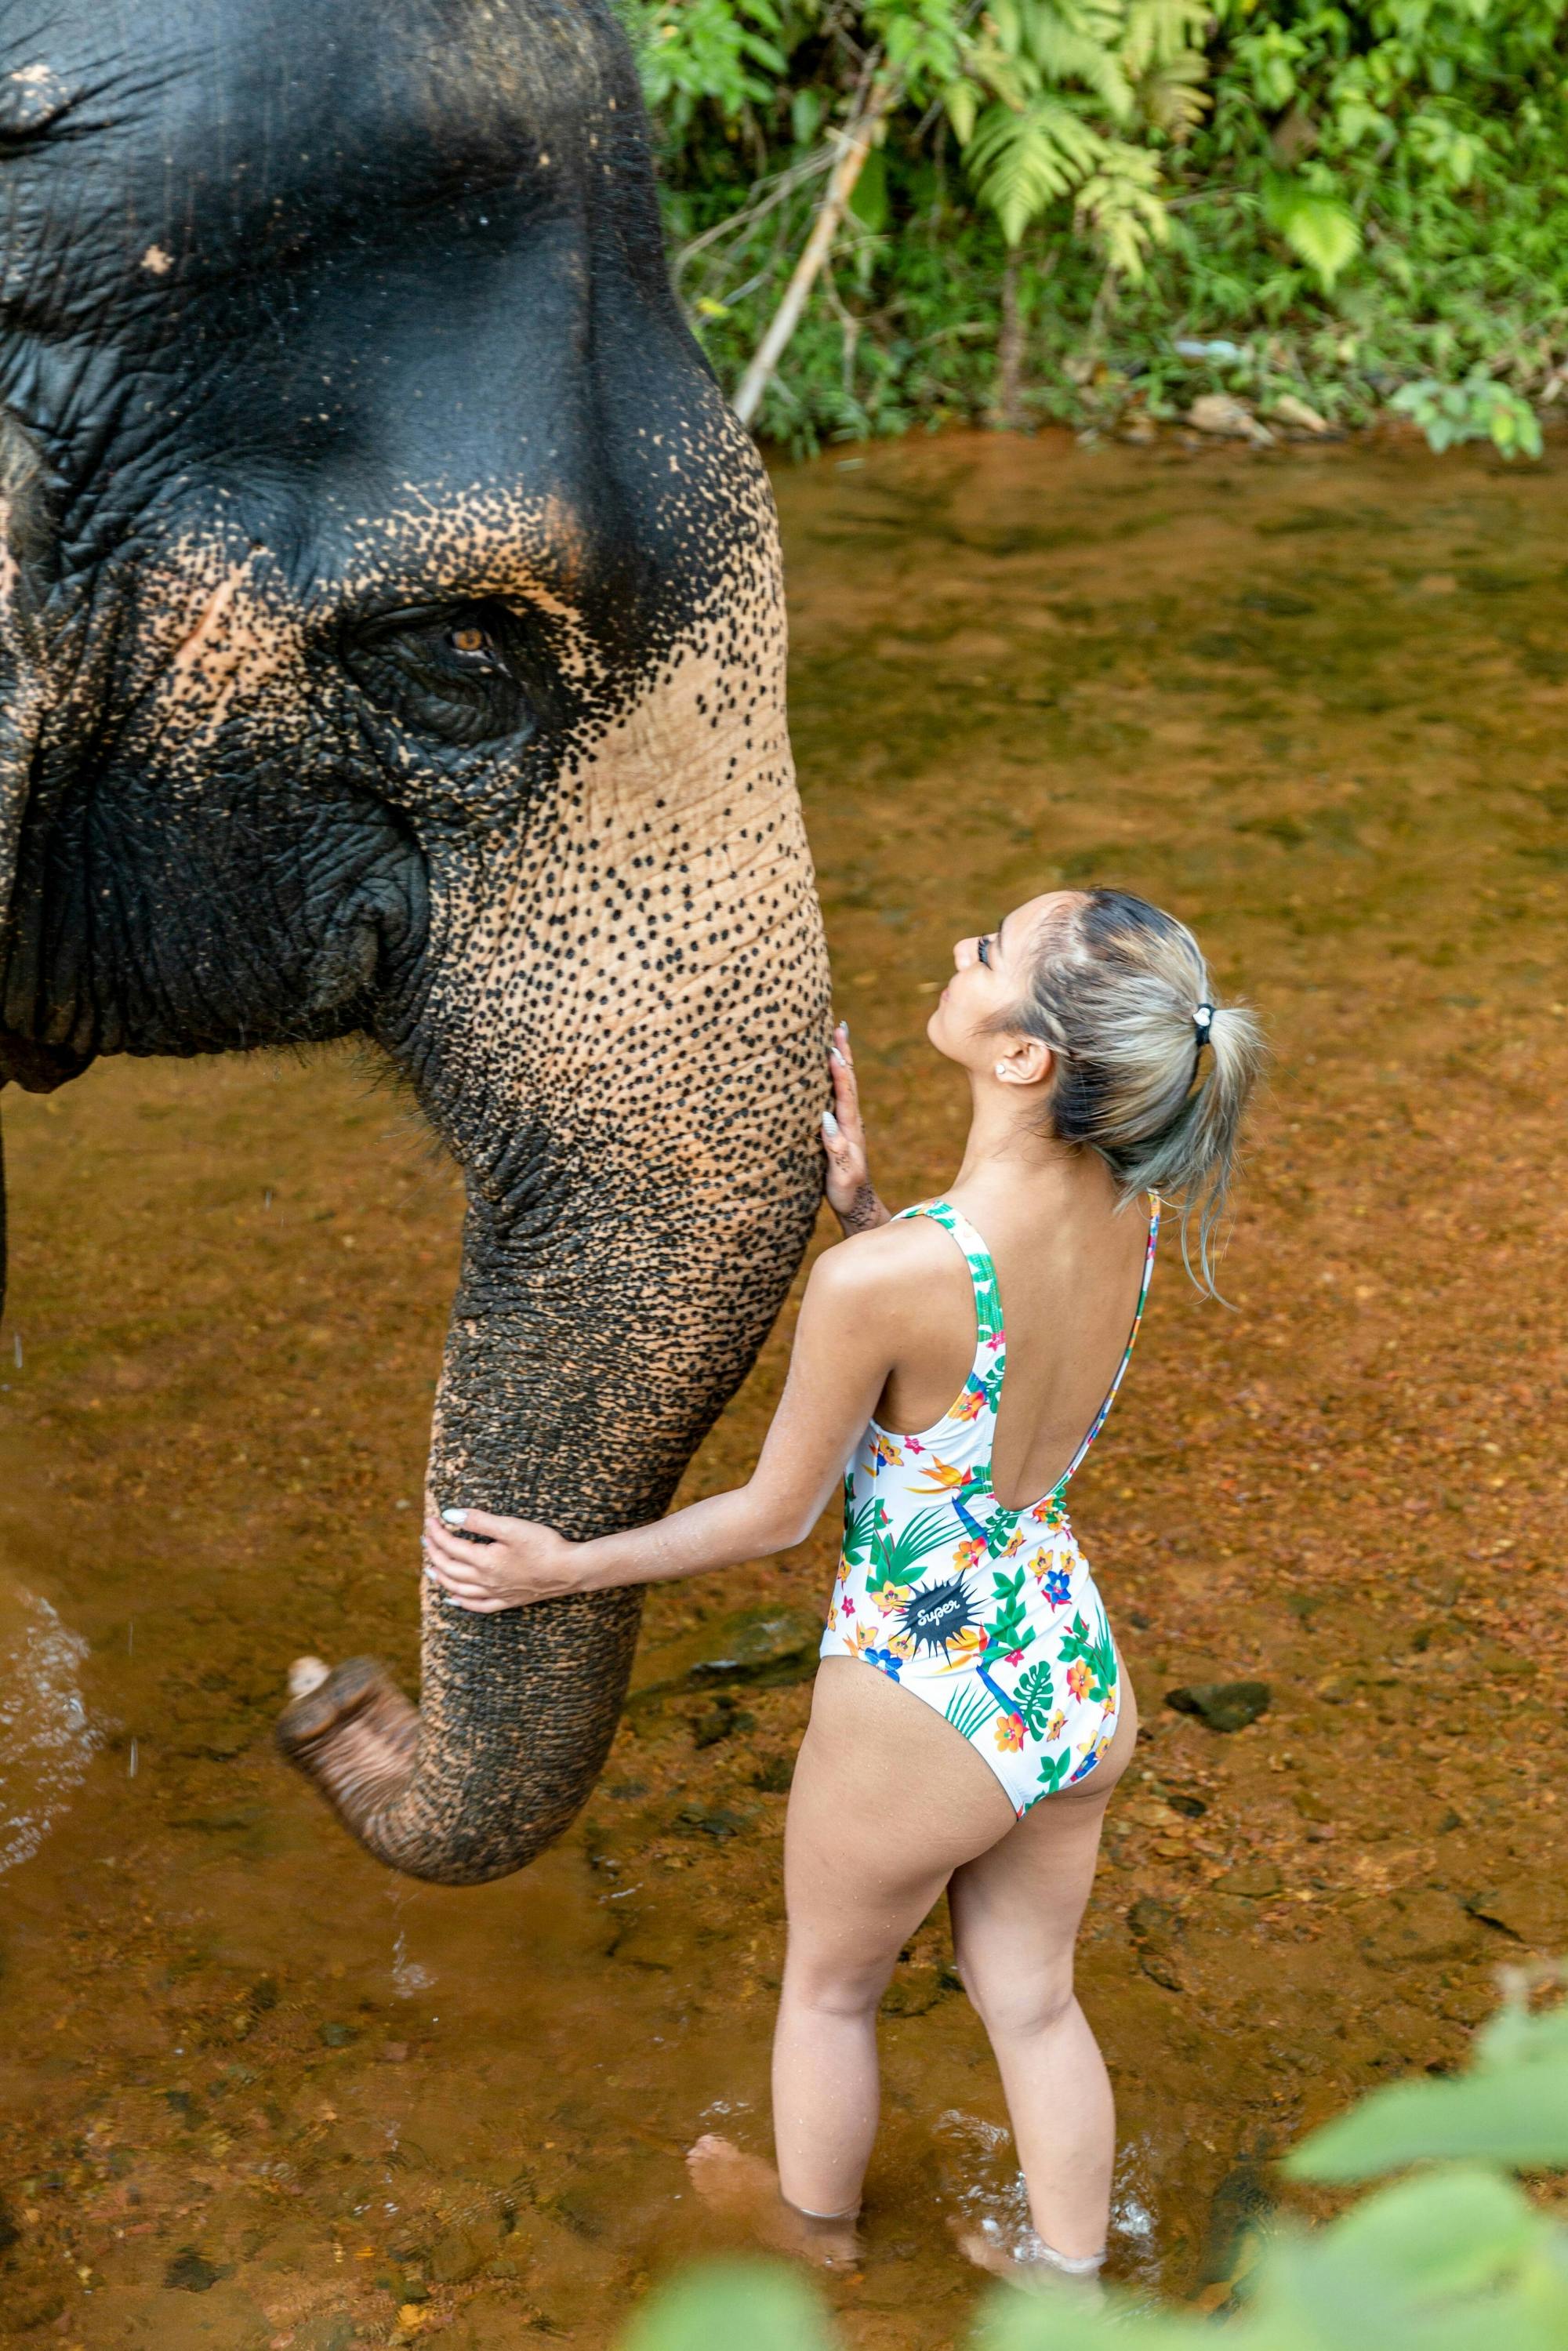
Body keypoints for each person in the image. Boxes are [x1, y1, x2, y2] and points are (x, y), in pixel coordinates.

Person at [421, 887, 1263, 2294]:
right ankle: (1068, 2287)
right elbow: (984, 1338)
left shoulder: (885, 1281)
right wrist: (873, 1209)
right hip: (1062, 1665)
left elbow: (775, 1517)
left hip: (922, 1695)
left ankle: (812, 2241)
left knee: (830, 1990)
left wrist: (567, 1566)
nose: (958, 951)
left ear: (1023, 1058)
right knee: (1038, 2007)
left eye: (988, 952)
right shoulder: (1133, 1209)